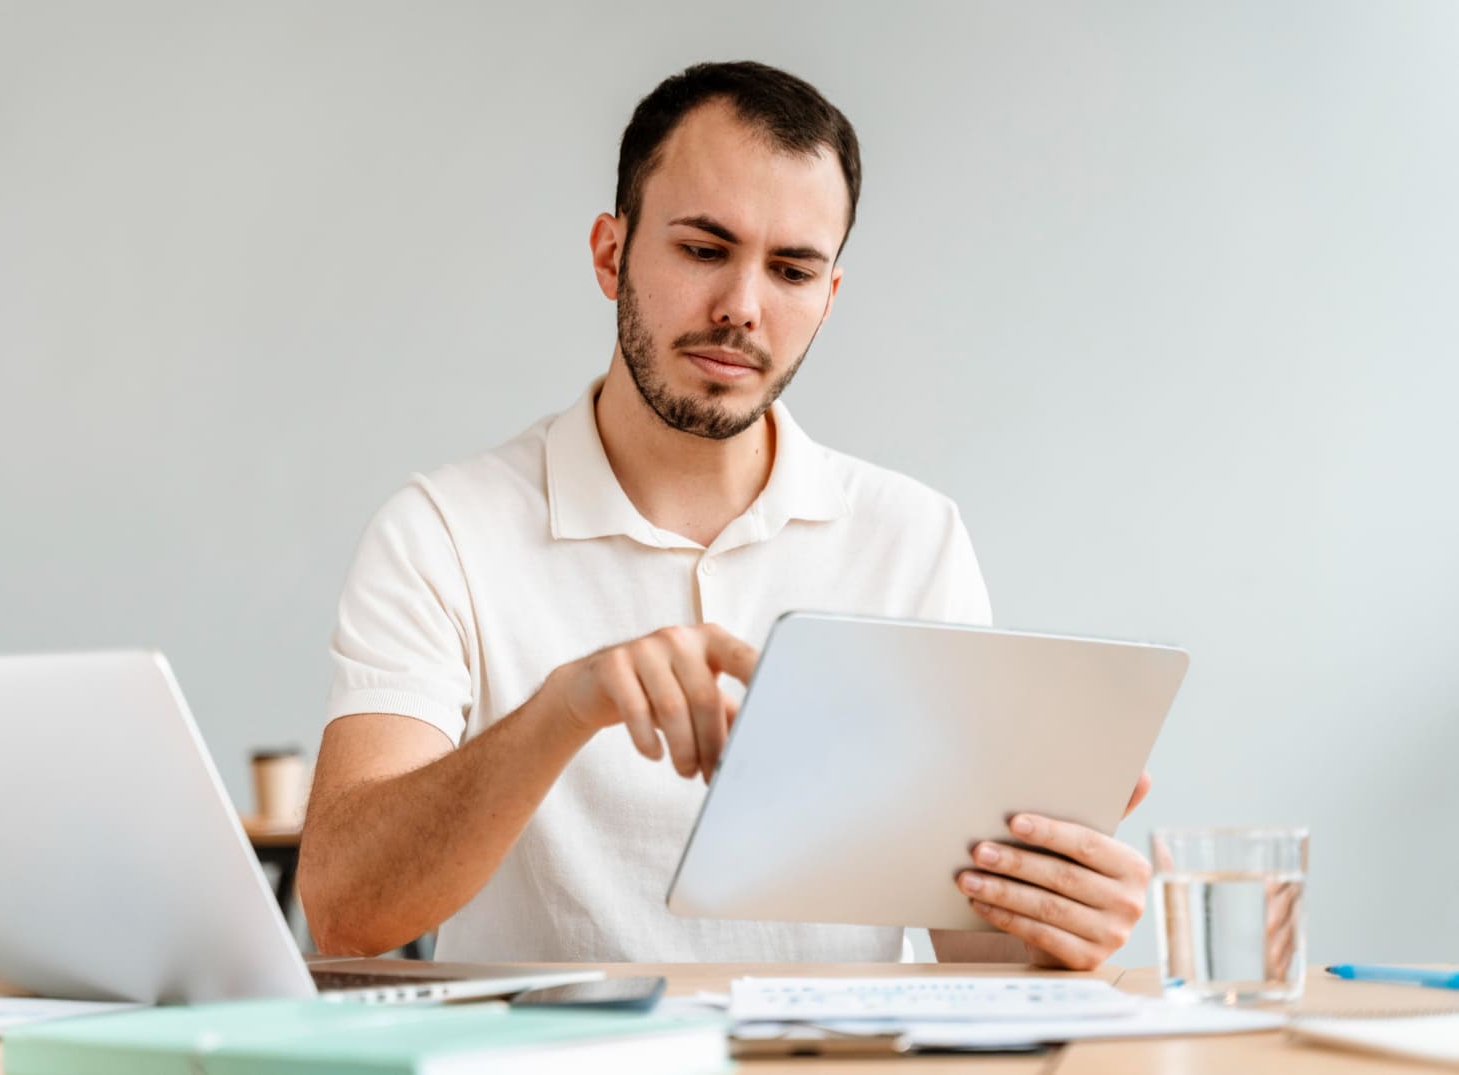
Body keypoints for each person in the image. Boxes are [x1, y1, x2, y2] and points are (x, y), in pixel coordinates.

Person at [299, 60, 1152, 969]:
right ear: (610, 253)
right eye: (704, 249)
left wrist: (1059, 919)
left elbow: (969, 950)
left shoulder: (914, 540)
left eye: (790, 270)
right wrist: (566, 707)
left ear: (828, 298)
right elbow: (348, 912)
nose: (742, 308)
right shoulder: (442, 531)